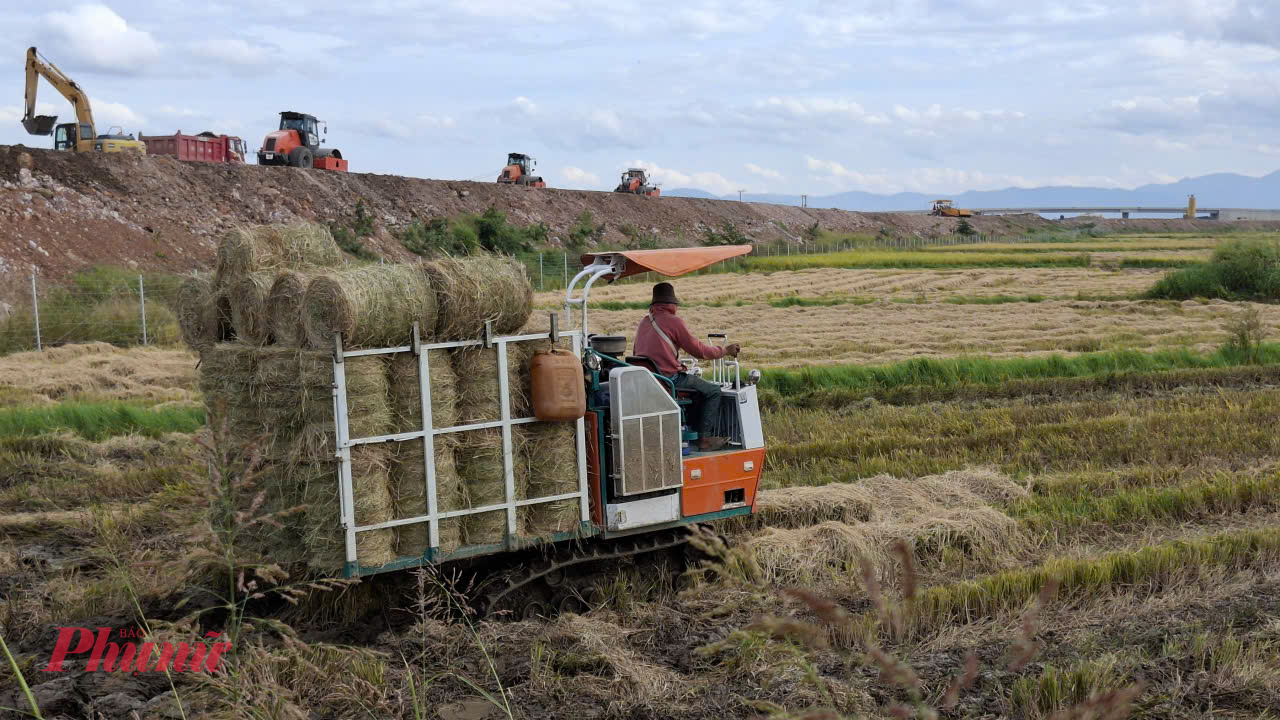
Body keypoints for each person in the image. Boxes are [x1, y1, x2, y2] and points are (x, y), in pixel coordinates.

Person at [633, 282, 740, 452]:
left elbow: (636, 353)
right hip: (668, 380)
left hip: (646, 381)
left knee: (696, 391)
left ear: (654, 304)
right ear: (671, 304)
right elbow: (699, 351)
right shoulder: (673, 321)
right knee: (713, 391)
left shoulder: (644, 323)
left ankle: (688, 430)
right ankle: (704, 439)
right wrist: (724, 350)